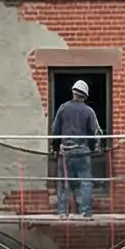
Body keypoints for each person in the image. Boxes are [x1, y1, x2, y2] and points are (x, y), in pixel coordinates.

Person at [50, 78, 102, 216]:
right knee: (85, 182)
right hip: (82, 152)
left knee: (63, 183)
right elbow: (95, 133)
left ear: (73, 92)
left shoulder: (63, 108)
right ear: (85, 96)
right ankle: (85, 212)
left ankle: (62, 212)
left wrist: (55, 148)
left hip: (65, 152)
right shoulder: (88, 111)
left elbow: (54, 131)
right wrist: (92, 148)